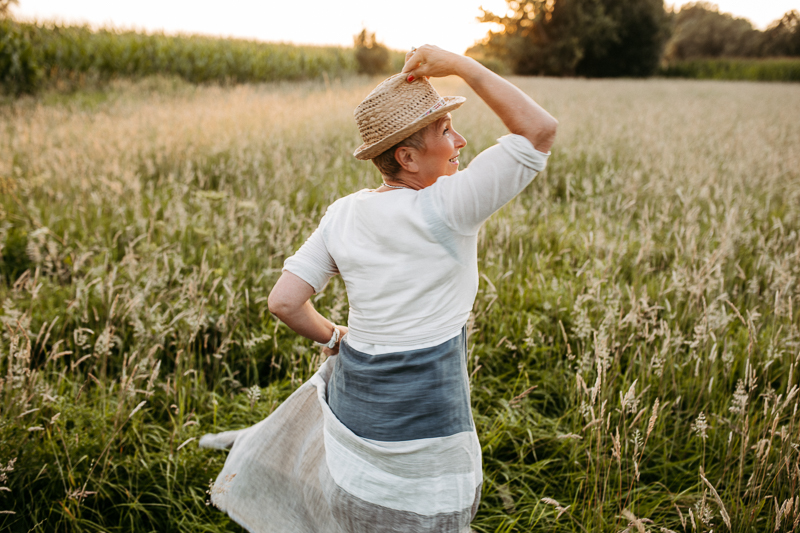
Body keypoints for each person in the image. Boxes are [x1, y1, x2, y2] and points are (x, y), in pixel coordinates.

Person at [199, 44, 557, 533]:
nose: (462, 141)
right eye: (446, 131)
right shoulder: (450, 206)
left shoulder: (343, 212)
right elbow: (539, 131)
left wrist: (332, 338)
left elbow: (284, 301)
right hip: (427, 425)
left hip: (356, 420)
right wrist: (460, 65)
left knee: (360, 505)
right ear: (407, 157)